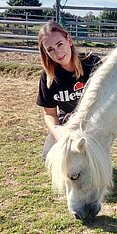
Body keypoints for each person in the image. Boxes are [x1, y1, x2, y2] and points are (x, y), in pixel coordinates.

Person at [36, 20, 101, 159]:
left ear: (69, 40)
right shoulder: (48, 77)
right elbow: (49, 114)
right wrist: (59, 134)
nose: (58, 53)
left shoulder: (92, 63)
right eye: (50, 49)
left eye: (60, 44)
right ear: (45, 52)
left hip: (95, 121)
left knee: (88, 154)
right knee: (49, 156)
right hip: (68, 122)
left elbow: (114, 91)